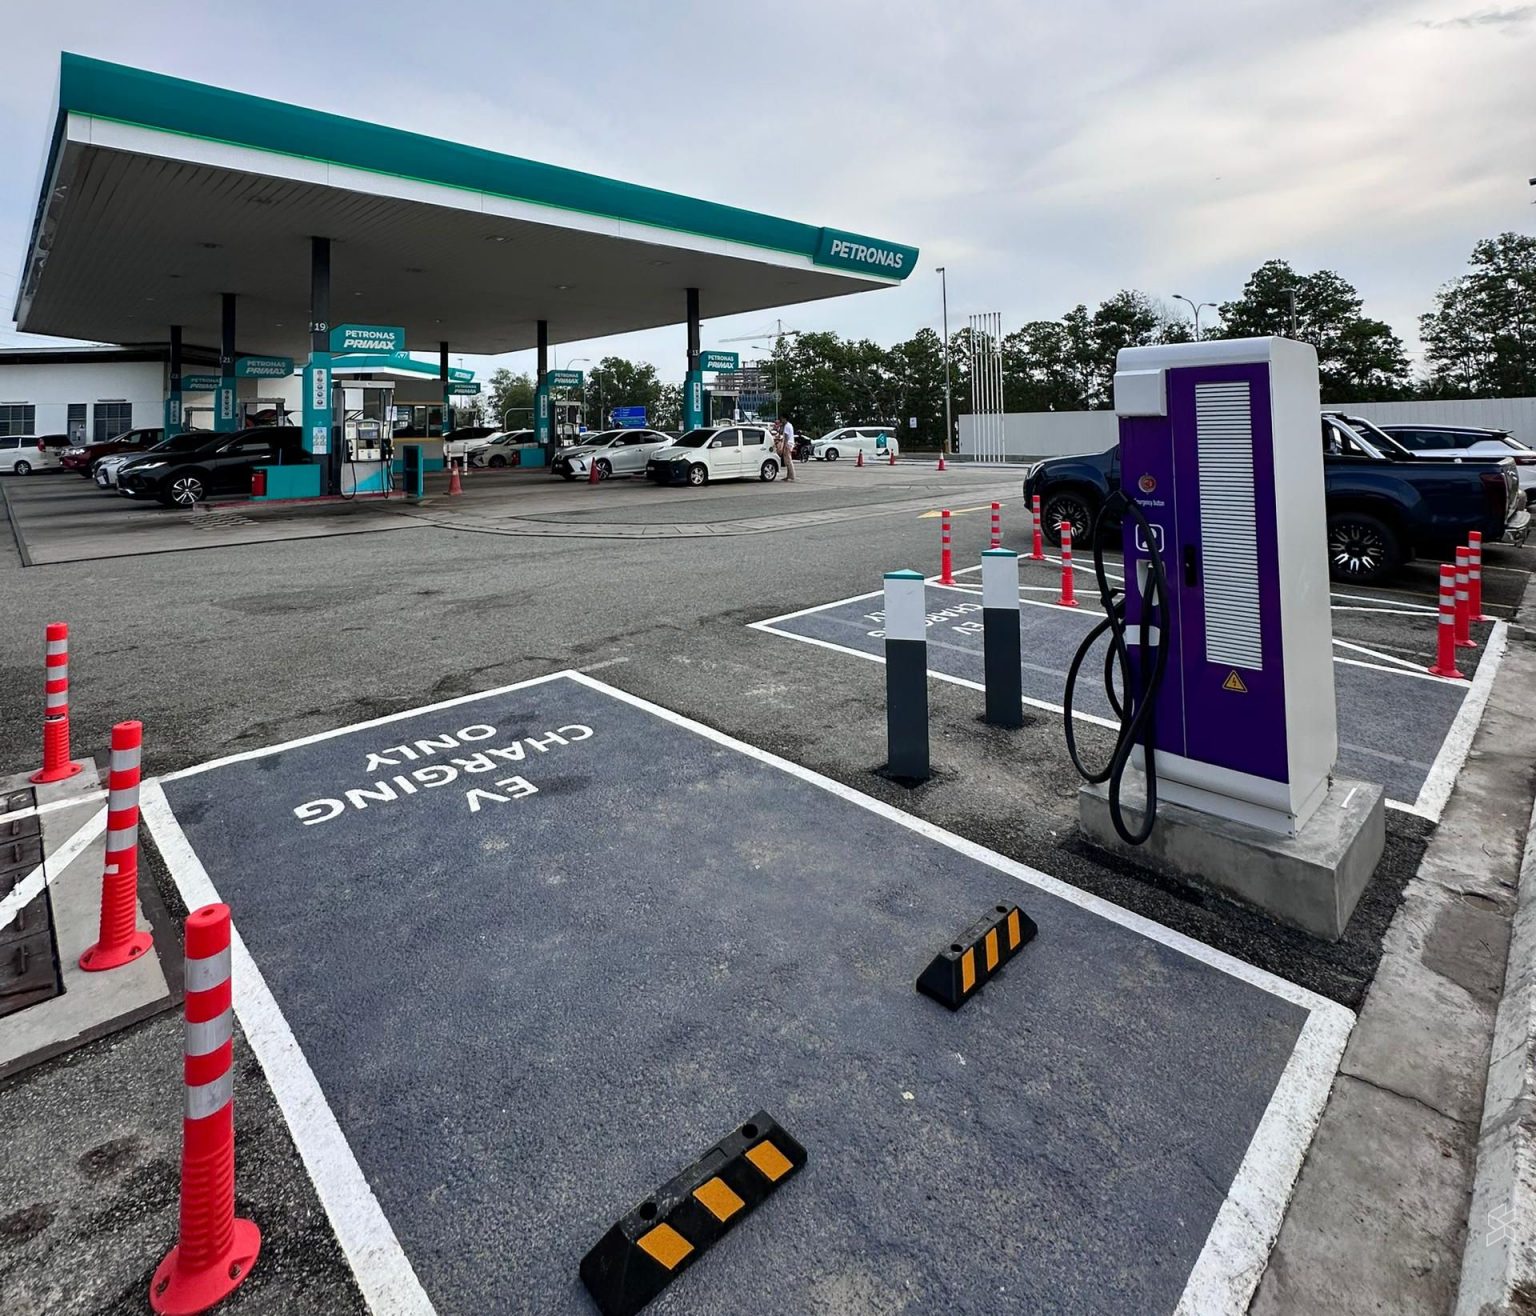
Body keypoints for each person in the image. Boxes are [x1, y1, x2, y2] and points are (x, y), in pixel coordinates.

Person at [779, 416, 796, 482]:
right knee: (788, 461)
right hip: (790, 443)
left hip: (788, 444)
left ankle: (791, 476)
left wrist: (784, 446)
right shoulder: (789, 425)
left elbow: (786, 437)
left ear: (785, 419)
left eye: (782, 419)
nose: (781, 420)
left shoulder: (786, 426)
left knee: (788, 461)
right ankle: (788, 476)